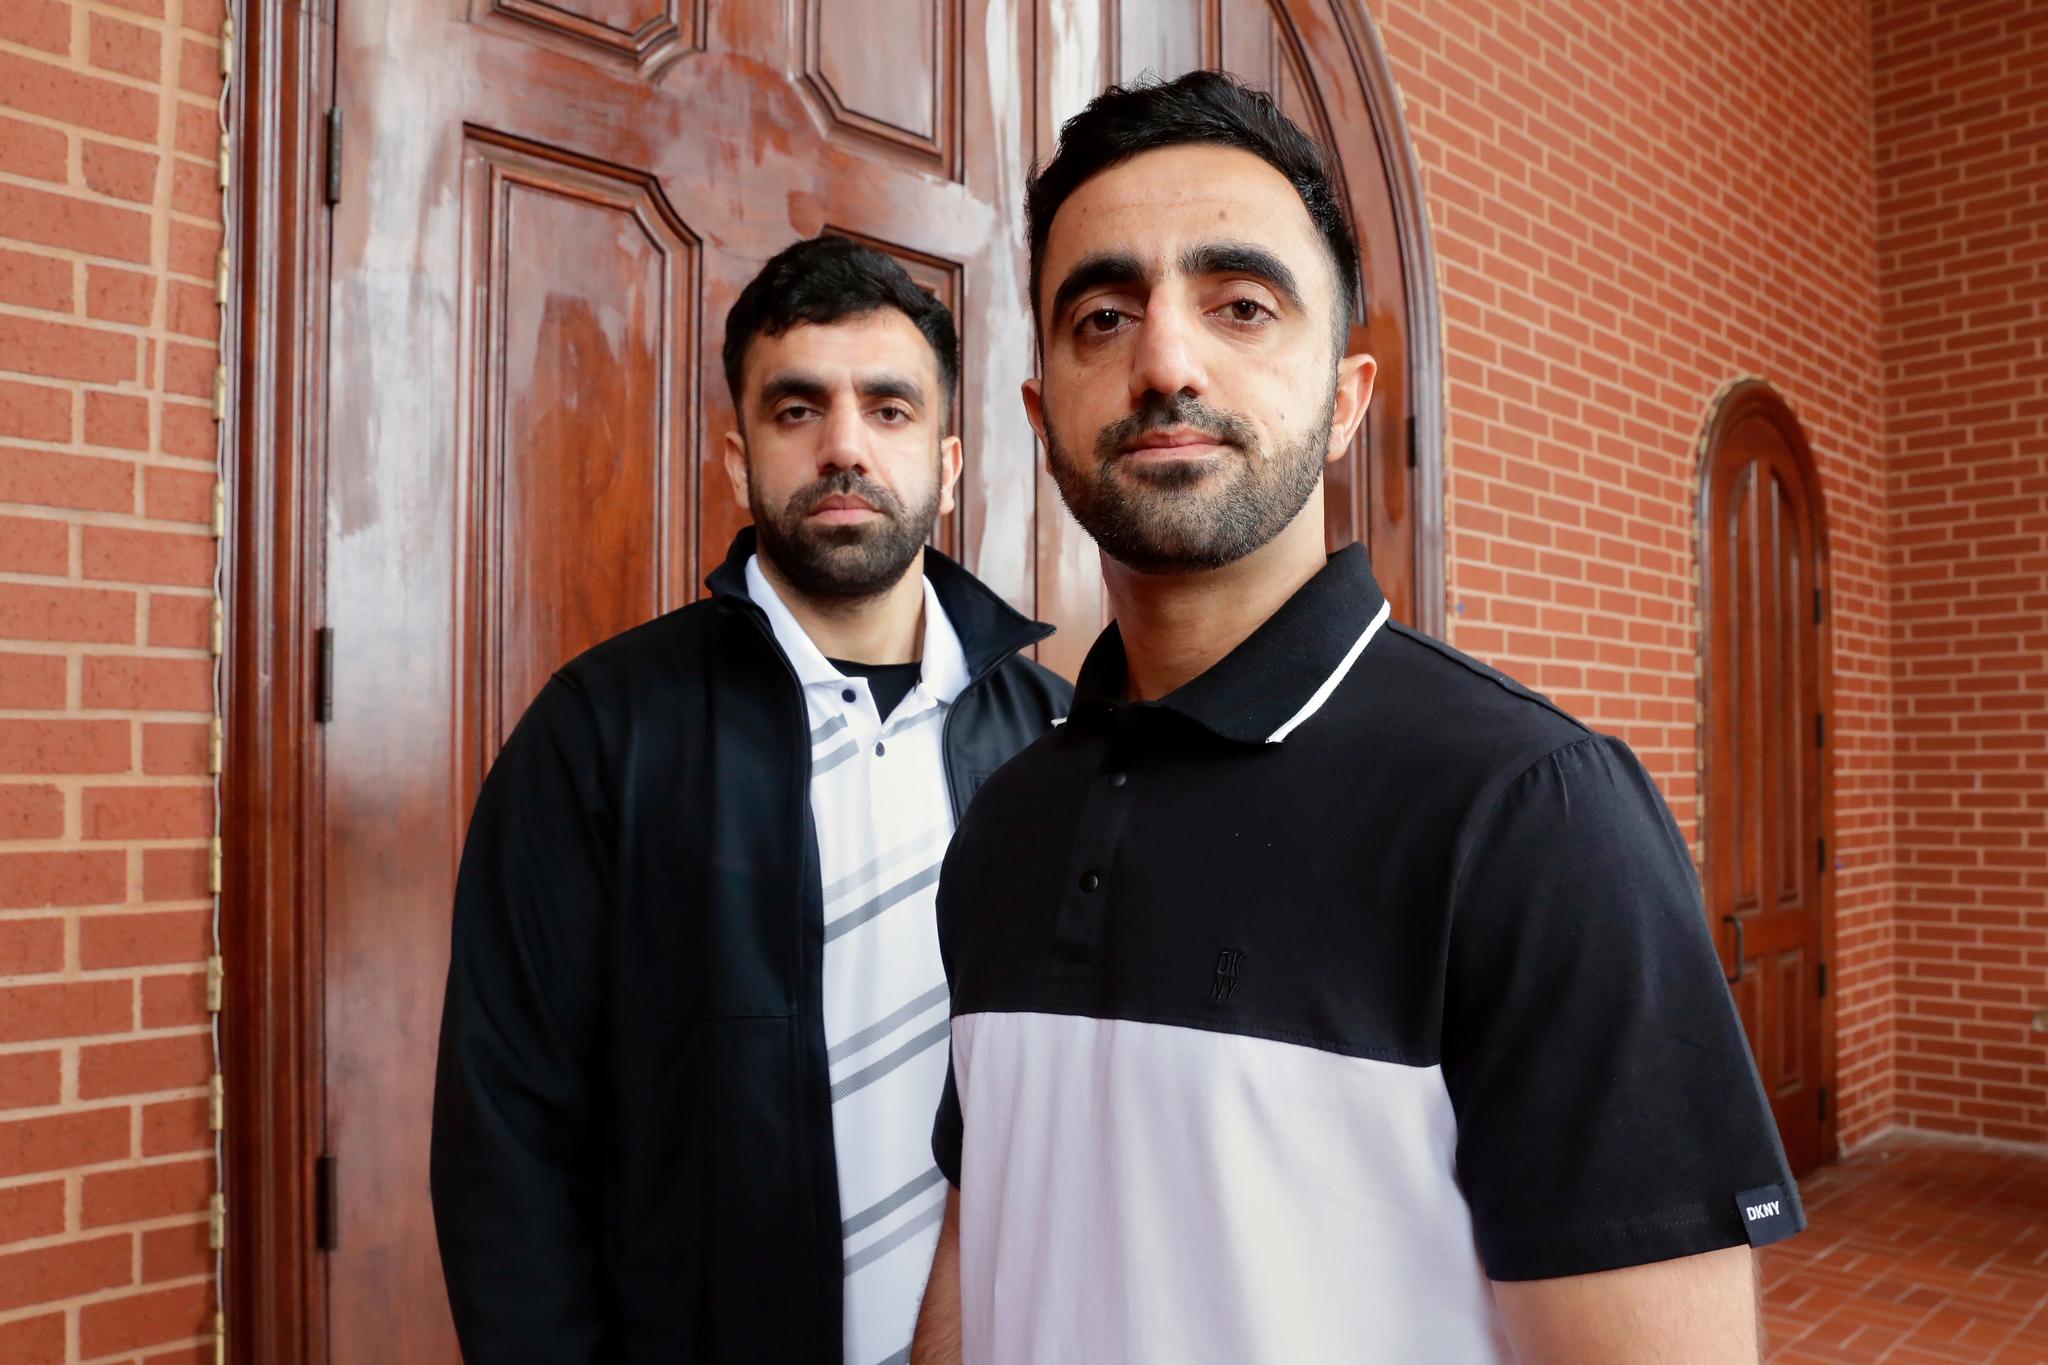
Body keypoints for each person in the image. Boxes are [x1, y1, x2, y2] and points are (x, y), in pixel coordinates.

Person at [911, 72, 1802, 1365]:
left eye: (1243, 306)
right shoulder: (1004, 819)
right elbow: (983, 1230)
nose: (1166, 359)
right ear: (1047, 419)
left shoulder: (1537, 817)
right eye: (1104, 314)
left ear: (1346, 399)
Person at [431, 235, 1071, 1364]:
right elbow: (508, 1138)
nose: (842, 447)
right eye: (795, 410)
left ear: (950, 459)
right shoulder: (598, 735)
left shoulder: (1059, 743)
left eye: (887, 408)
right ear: (738, 458)